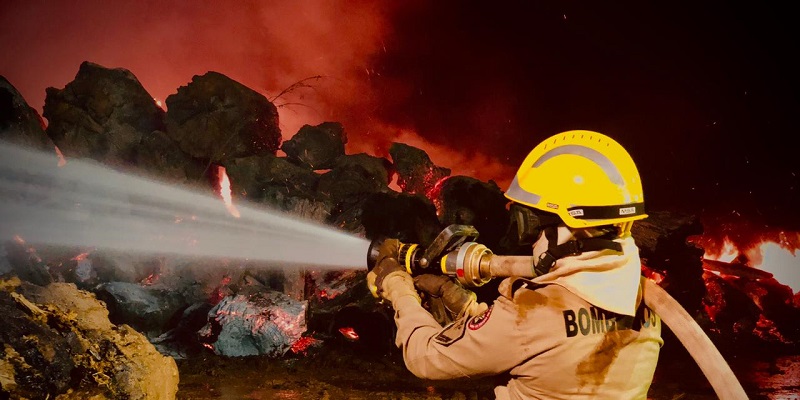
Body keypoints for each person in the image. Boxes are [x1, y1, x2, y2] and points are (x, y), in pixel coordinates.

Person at [367, 130, 662, 399]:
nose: (530, 239)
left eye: (529, 223)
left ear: (565, 225)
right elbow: (551, 347)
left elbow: (426, 358)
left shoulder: (536, 309)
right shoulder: (644, 298)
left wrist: (398, 287)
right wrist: (470, 309)